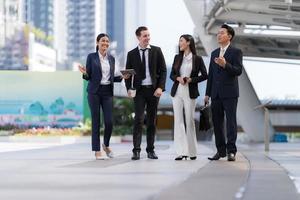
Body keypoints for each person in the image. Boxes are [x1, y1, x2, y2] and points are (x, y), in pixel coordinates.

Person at [78, 33, 130, 160]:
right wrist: (85, 73)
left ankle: (106, 145)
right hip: (94, 92)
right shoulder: (91, 57)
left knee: (109, 122)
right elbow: (88, 76)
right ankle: (97, 151)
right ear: (97, 43)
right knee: (96, 122)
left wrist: (122, 77)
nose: (105, 43)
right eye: (103, 41)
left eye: (107, 41)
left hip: (107, 92)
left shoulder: (111, 59)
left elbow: (112, 78)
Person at [125, 26, 167, 160]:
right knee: (138, 119)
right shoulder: (131, 54)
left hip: (154, 90)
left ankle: (150, 150)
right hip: (139, 91)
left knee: (151, 121)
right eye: (145, 36)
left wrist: (160, 87)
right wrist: (129, 89)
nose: (147, 38)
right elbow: (127, 74)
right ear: (138, 37)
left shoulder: (156, 50)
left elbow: (164, 70)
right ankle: (136, 150)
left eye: (148, 35)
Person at [204, 24, 243, 162]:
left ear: (229, 36)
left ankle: (231, 151)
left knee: (231, 123)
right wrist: (207, 94)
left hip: (230, 93)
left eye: (222, 33)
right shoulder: (214, 53)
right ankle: (220, 151)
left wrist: (225, 64)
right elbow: (211, 75)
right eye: (218, 33)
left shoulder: (236, 52)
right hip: (215, 94)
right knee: (217, 123)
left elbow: (238, 71)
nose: (218, 35)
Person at [170, 34, 207, 161]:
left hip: (190, 91)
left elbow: (205, 75)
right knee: (178, 121)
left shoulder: (197, 59)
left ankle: (191, 152)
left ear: (188, 42)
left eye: (181, 41)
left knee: (189, 121)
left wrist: (191, 79)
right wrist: (178, 78)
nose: (180, 43)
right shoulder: (177, 57)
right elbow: (172, 75)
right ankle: (181, 152)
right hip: (177, 92)